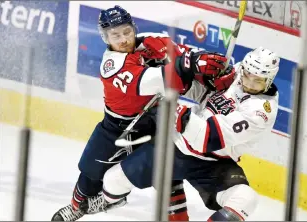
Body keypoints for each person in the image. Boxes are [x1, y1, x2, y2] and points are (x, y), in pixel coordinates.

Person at [51, 5, 235, 221]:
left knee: (167, 173)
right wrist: (189, 65)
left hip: (157, 123)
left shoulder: (154, 42)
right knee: (91, 171)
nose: (123, 39)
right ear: (105, 38)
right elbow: (156, 80)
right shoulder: (111, 66)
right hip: (118, 127)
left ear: (134, 28)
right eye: (115, 35)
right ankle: (76, 207)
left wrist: (213, 79)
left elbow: (188, 61)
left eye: (127, 31)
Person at [84, 47, 280, 221]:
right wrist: (201, 81)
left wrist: (178, 112)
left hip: (213, 163)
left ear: (269, 81)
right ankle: (112, 200)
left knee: (246, 199)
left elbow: (208, 138)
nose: (249, 83)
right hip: (176, 147)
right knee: (113, 181)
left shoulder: (261, 112)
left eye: (258, 81)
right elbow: (202, 93)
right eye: (247, 76)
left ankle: (170, 183)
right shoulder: (238, 72)